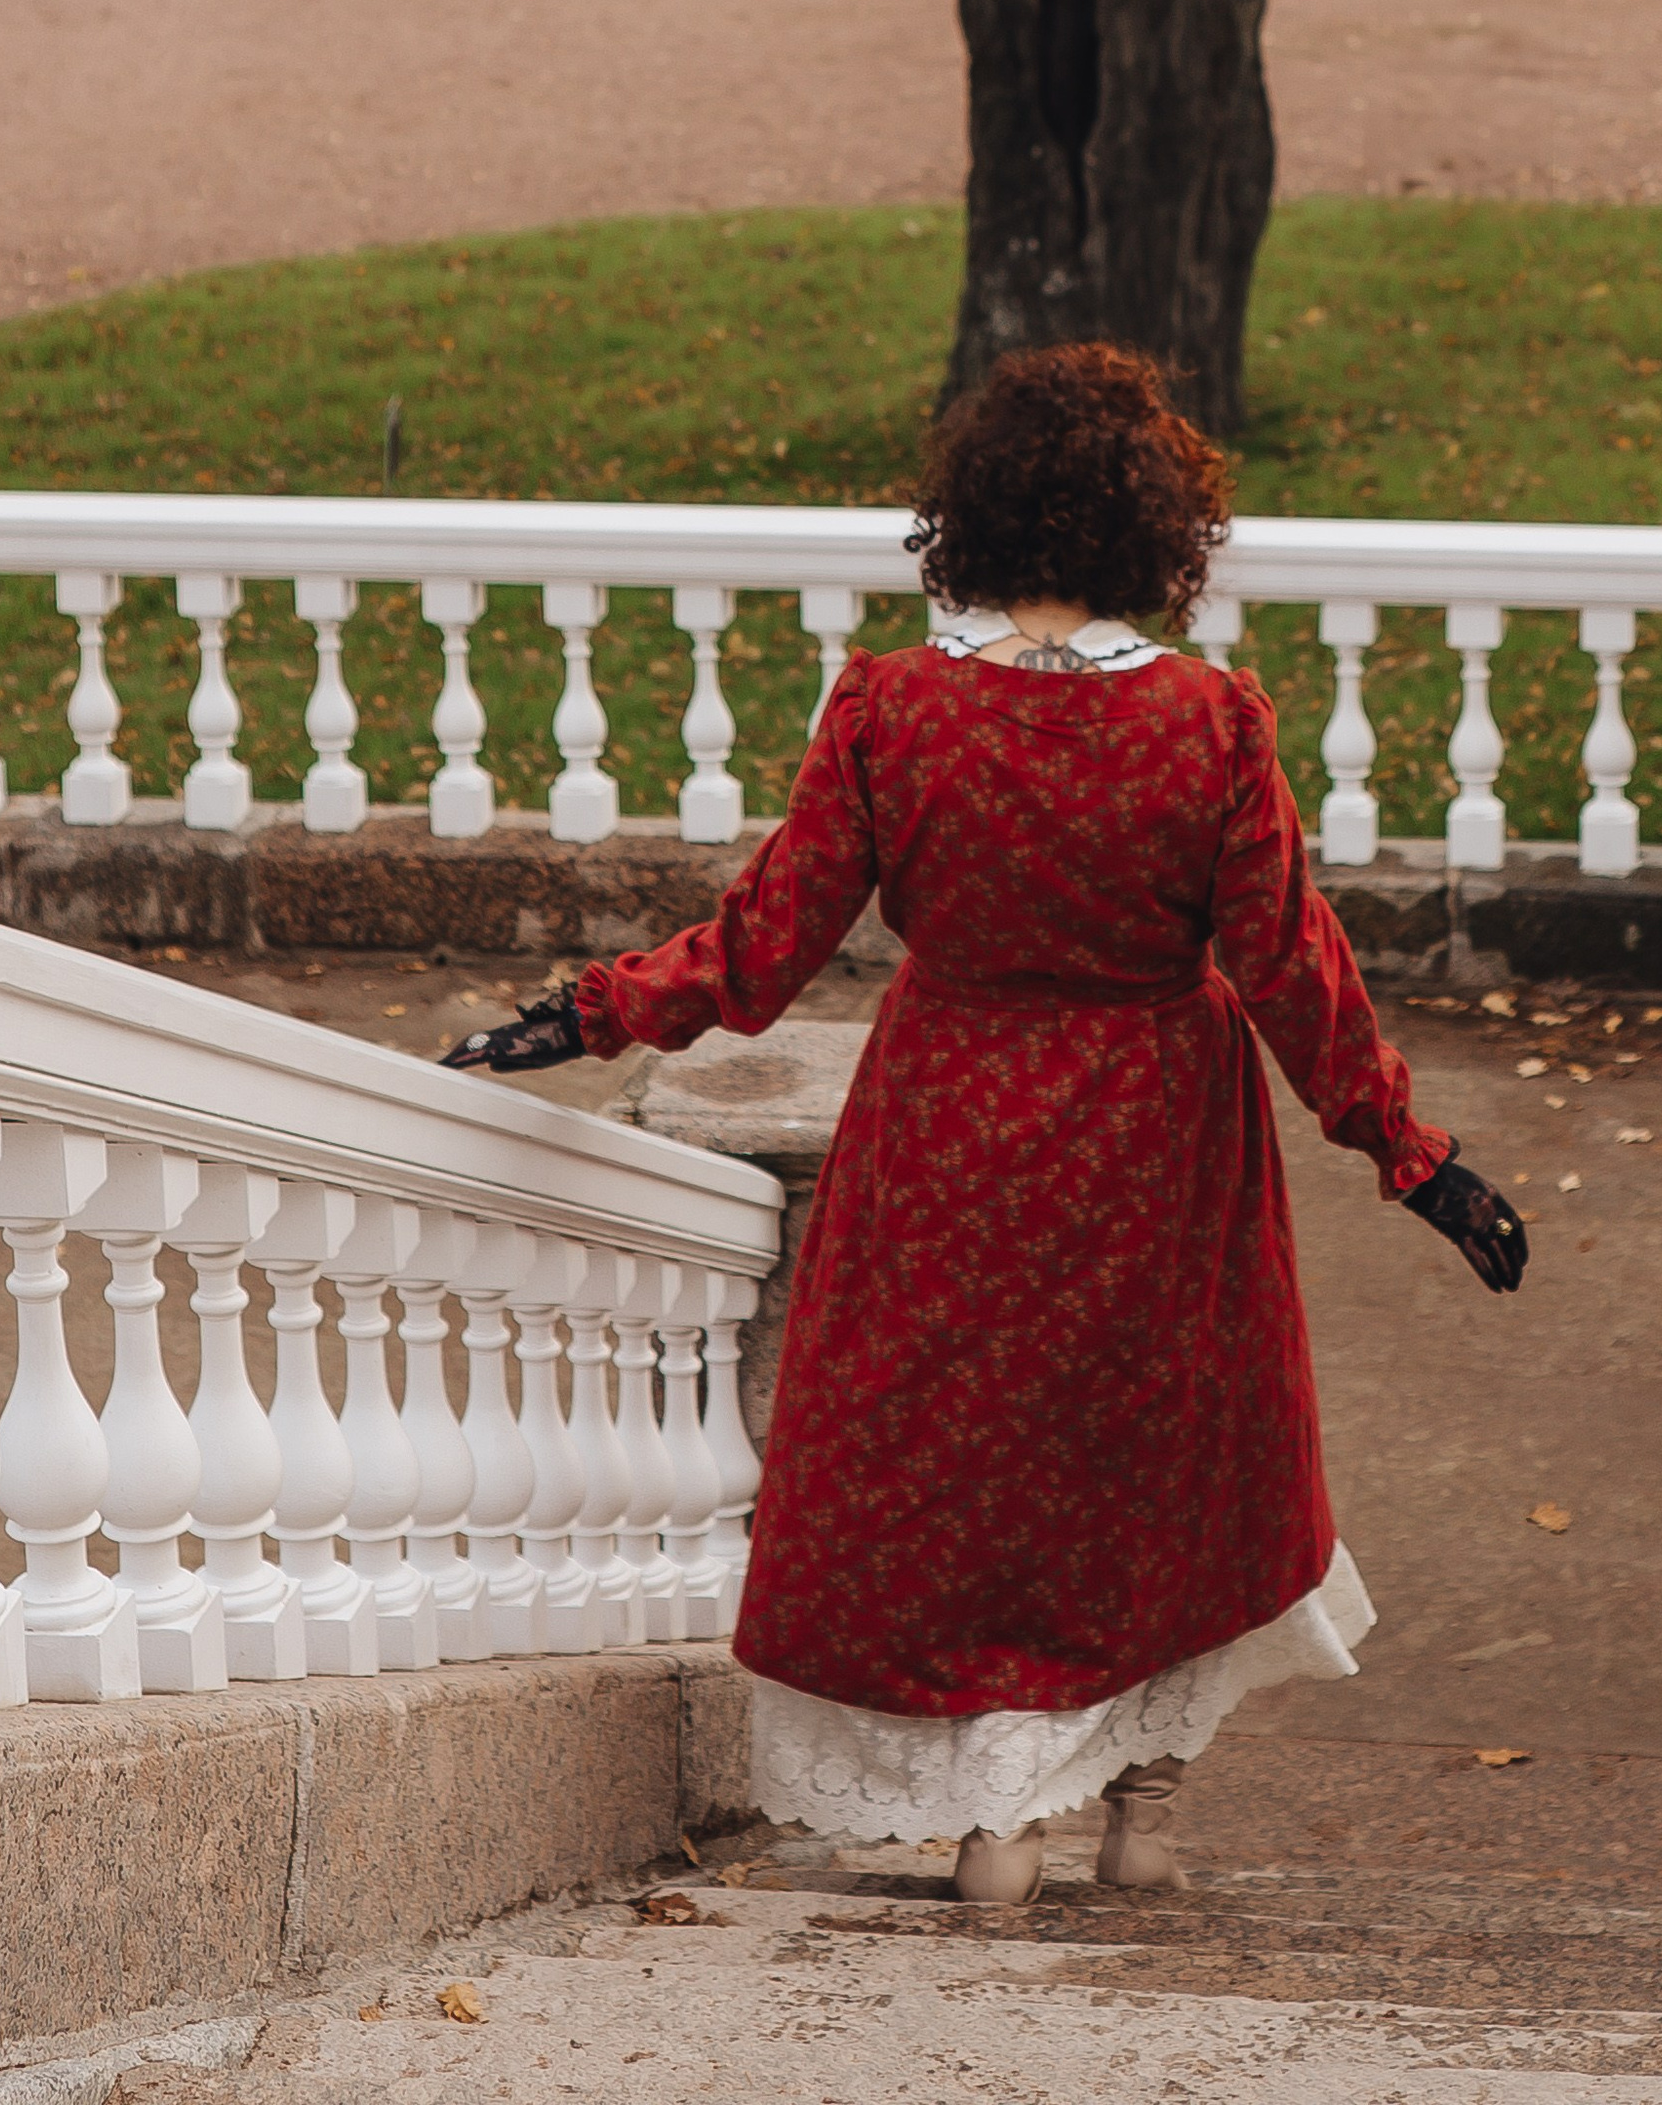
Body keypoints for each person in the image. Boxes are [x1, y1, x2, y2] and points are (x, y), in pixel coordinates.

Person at [446, 341, 1527, 1904]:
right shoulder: (1209, 727)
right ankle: (1140, 1822)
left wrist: (590, 1011)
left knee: (970, 1472)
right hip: (1157, 1127)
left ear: (977, 515)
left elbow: (762, 944)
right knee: (1166, 1472)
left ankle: (994, 1828)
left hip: (950, 1114)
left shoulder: (893, 712)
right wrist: (1414, 1160)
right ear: (1157, 529)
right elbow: (1296, 971)